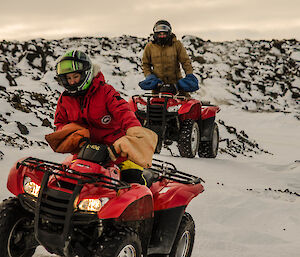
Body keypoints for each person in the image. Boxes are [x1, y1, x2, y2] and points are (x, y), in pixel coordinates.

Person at [45, 50, 157, 185]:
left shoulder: (105, 91)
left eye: (75, 76)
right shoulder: (65, 99)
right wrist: (74, 135)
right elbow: (60, 123)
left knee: (133, 182)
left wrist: (134, 131)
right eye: (68, 78)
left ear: (85, 73)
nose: (72, 81)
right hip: (85, 153)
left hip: (117, 152)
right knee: (64, 182)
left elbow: (124, 112)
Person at [139, 20, 199, 94]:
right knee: (155, 104)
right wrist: (149, 76)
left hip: (176, 84)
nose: (162, 36)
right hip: (158, 86)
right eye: (159, 34)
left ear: (169, 33)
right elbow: (145, 64)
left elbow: (185, 61)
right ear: (155, 34)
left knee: (185, 103)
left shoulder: (177, 45)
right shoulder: (150, 47)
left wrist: (189, 74)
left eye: (164, 34)